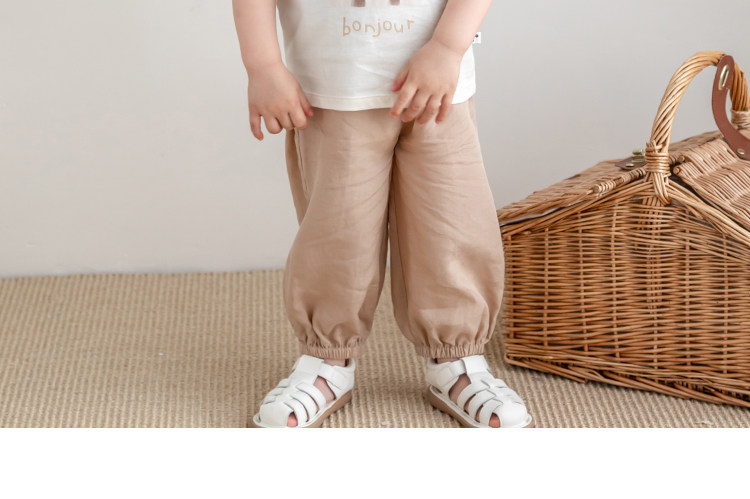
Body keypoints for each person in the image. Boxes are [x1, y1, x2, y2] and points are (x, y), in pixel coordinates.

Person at [232, 0, 534, 428]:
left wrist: (448, 47)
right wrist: (262, 66)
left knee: (451, 221)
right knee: (338, 229)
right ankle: (327, 359)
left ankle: (457, 358)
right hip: (331, 87)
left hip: (438, 87)